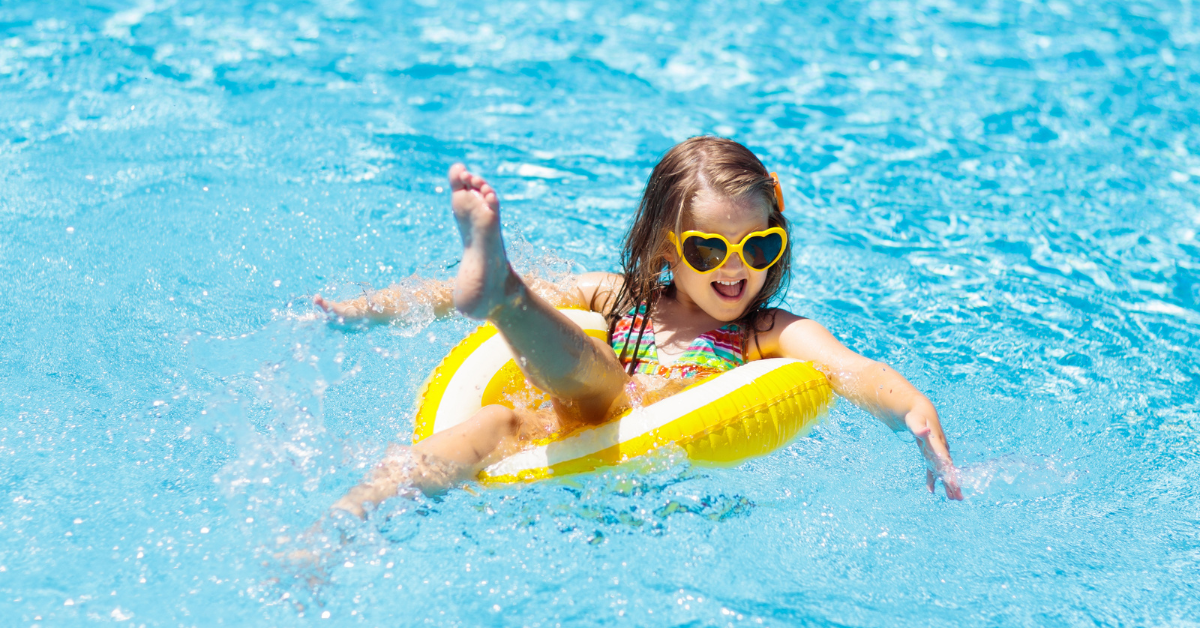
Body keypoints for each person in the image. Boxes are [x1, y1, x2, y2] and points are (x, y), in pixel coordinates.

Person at [315, 136, 963, 517]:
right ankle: (355, 511)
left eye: (759, 248)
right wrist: (366, 308)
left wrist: (911, 407)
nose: (737, 270)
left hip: (643, 435)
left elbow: (851, 370)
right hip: (569, 423)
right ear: (663, 247)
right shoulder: (616, 296)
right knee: (498, 423)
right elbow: (437, 298)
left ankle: (505, 293)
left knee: (601, 391)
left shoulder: (767, 331)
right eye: (711, 250)